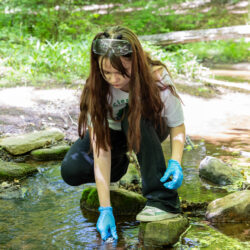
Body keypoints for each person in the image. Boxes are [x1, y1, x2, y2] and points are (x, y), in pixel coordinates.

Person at [61, 26, 185, 241]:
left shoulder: (156, 77)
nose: (113, 79)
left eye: (121, 72)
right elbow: (101, 151)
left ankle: (163, 201)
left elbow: (177, 125)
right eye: (106, 72)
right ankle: (119, 168)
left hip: (149, 126)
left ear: (135, 63)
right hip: (114, 136)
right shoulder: (97, 89)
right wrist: (105, 209)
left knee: (132, 116)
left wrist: (176, 161)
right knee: (71, 170)